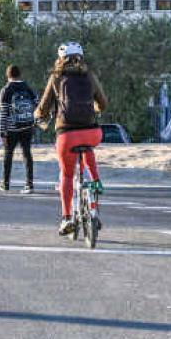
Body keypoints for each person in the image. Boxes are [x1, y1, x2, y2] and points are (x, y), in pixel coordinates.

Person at [35, 42, 107, 236]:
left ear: (60, 59)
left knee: (67, 175)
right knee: (87, 148)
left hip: (67, 134)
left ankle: (67, 218)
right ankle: (95, 186)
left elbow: (43, 107)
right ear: (81, 57)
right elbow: (103, 102)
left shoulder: (56, 78)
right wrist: (95, 111)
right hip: (92, 133)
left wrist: (39, 116)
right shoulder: (89, 76)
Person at [0, 64, 37, 194]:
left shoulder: (6, 89)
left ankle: (5, 183)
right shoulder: (27, 87)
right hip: (27, 126)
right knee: (27, 154)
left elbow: (3, 113)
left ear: (8, 75)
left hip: (12, 128)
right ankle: (29, 184)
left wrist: (2, 132)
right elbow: (37, 104)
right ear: (20, 74)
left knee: (8, 154)